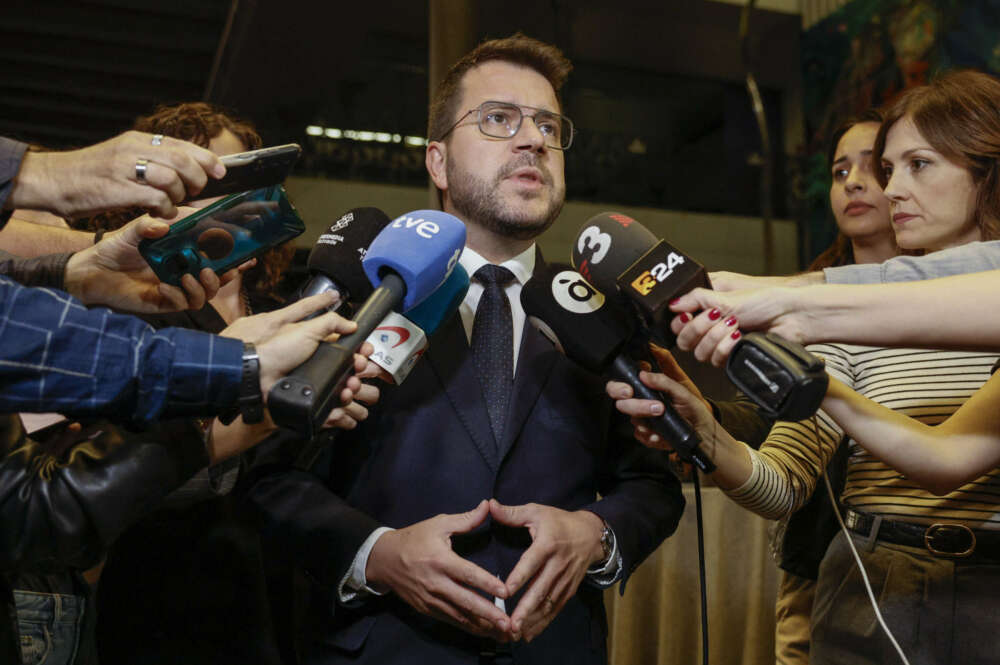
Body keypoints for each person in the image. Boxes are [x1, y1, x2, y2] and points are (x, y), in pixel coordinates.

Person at [246, 33, 683, 665]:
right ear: (438, 163)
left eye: (548, 125)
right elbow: (273, 479)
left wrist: (596, 532)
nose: (532, 139)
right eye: (498, 119)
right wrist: (379, 554)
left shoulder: (600, 309)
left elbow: (651, 484)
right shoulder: (358, 299)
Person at [612, 70, 1000, 665]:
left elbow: (949, 458)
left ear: (984, 167)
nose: (890, 188)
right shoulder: (847, 321)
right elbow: (780, 486)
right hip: (870, 590)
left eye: (917, 165)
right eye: (888, 169)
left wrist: (790, 312)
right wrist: (707, 432)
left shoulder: (842, 308)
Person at [771, 110, 897, 665]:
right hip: (817, 557)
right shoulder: (804, 306)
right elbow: (775, 427)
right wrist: (703, 418)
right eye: (840, 169)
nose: (853, 181)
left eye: (877, 167)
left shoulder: (966, 301)